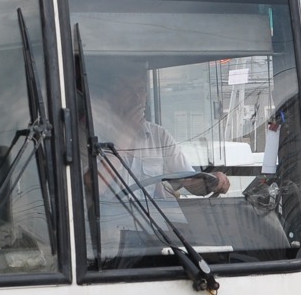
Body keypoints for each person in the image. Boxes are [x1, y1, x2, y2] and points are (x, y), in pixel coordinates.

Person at [87, 63, 230, 198]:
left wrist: (213, 181)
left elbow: (188, 181)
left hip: (150, 221)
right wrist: (126, 137)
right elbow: (92, 186)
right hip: (107, 222)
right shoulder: (92, 134)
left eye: (141, 90)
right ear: (111, 97)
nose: (137, 98)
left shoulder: (159, 136)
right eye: (128, 91)